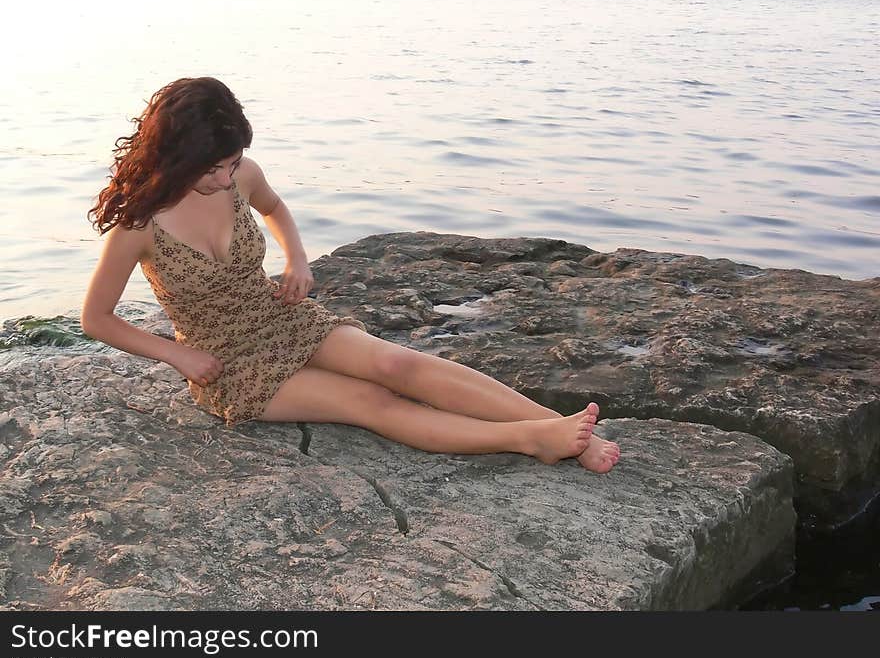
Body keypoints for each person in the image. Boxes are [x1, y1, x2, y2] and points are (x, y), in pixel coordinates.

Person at [81, 76, 620, 473]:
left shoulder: (241, 174)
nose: (225, 178)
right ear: (176, 156)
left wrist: (297, 261)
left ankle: (558, 423)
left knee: (395, 361)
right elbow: (97, 319)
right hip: (229, 362)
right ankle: (530, 440)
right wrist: (177, 354)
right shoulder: (138, 223)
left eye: (232, 162)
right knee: (371, 404)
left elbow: (276, 208)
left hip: (281, 316)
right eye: (212, 168)